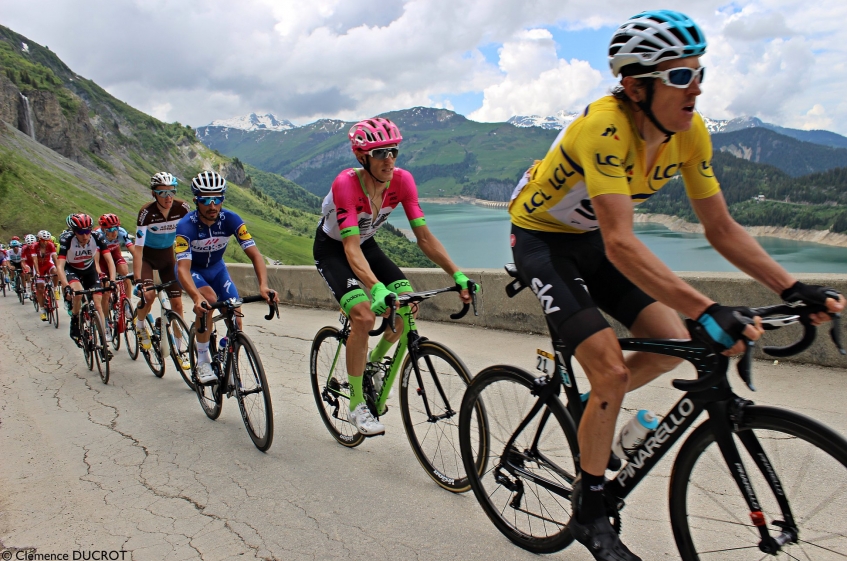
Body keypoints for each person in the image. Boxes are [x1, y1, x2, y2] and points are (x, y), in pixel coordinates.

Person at [507, 10, 845, 561]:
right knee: (612, 366)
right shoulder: (604, 128)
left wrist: (793, 287)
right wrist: (710, 308)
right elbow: (621, 242)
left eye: (699, 72)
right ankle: (591, 514)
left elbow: (721, 228)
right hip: (542, 242)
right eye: (680, 76)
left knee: (669, 345)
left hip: (590, 241)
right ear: (637, 87)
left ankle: (591, 410)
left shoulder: (690, 134)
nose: (696, 88)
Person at [313, 117, 473, 436]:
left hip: (367, 244)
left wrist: (457, 274)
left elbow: (424, 238)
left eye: (394, 151)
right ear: (363, 157)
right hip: (335, 249)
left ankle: (372, 361)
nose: (389, 159)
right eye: (380, 152)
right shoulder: (345, 183)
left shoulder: (402, 181)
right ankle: (356, 405)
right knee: (362, 316)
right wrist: (374, 289)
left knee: (406, 307)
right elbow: (350, 247)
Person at [174, 171, 278, 384]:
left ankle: (225, 352)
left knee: (236, 318)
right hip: (193, 271)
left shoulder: (231, 220)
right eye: (205, 199)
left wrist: (264, 286)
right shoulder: (186, 226)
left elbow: (255, 255)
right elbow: (183, 268)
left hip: (217, 269)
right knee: (209, 301)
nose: (212, 205)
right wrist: (195, 297)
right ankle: (202, 360)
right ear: (196, 200)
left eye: (217, 199)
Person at [133, 172, 191, 351]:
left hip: (167, 258)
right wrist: (137, 278)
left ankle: (180, 348)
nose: (168, 197)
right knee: (148, 296)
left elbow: (192, 236)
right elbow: (139, 248)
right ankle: (140, 325)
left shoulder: (182, 208)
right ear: (154, 194)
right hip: (147, 259)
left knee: (177, 304)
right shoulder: (146, 213)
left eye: (171, 191)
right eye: (163, 193)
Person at [56, 214, 115, 343]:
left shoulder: (97, 237)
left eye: (87, 231)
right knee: (77, 294)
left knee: (98, 303)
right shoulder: (67, 239)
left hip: (90, 270)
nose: (85, 236)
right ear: (74, 232)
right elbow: (60, 266)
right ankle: (75, 319)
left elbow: (110, 261)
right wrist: (65, 286)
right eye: (81, 232)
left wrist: (112, 280)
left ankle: (103, 340)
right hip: (72, 270)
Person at [94, 214, 136, 340]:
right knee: (106, 292)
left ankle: (126, 304)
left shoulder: (121, 232)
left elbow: (133, 251)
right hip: (101, 259)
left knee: (125, 272)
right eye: (111, 230)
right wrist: (101, 275)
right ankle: (106, 322)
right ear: (103, 229)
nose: (114, 232)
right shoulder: (97, 236)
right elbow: (95, 261)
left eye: (116, 228)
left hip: (114, 254)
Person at [30, 230, 59, 322]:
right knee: (40, 288)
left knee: (56, 272)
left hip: (47, 264)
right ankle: (42, 310)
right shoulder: (34, 246)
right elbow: (34, 260)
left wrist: (59, 269)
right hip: (38, 266)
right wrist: (38, 272)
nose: (46, 242)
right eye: (43, 240)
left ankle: (55, 289)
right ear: (39, 239)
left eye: (47, 240)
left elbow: (55, 258)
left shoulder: (50, 245)